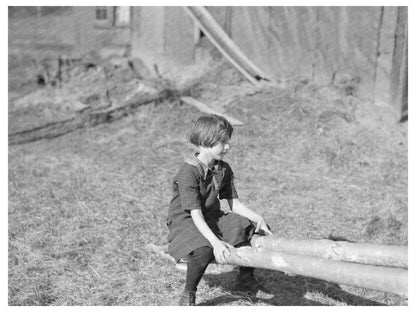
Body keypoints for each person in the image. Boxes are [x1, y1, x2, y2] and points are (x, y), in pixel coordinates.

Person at [166, 114, 274, 306]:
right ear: (206, 142)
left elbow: (235, 204)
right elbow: (195, 214)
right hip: (186, 222)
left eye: (228, 141)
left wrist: (259, 218)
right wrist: (216, 243)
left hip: (211, 217)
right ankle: (188, 294)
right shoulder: (188, 172)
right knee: (204, 250)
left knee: (251, 228)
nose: (227, 147)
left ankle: (245, 279)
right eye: (222, 142)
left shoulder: (223, 168)